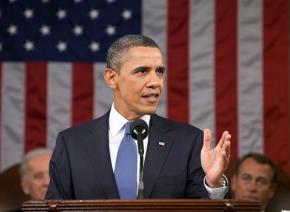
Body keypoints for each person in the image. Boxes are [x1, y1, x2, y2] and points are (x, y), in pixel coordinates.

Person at [46, 34, 231, 199]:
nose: (155, 82)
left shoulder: (189, 141)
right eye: (142, 71)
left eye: (159, 72)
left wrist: (213, 184)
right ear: (111, 78)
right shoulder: (71, 144)